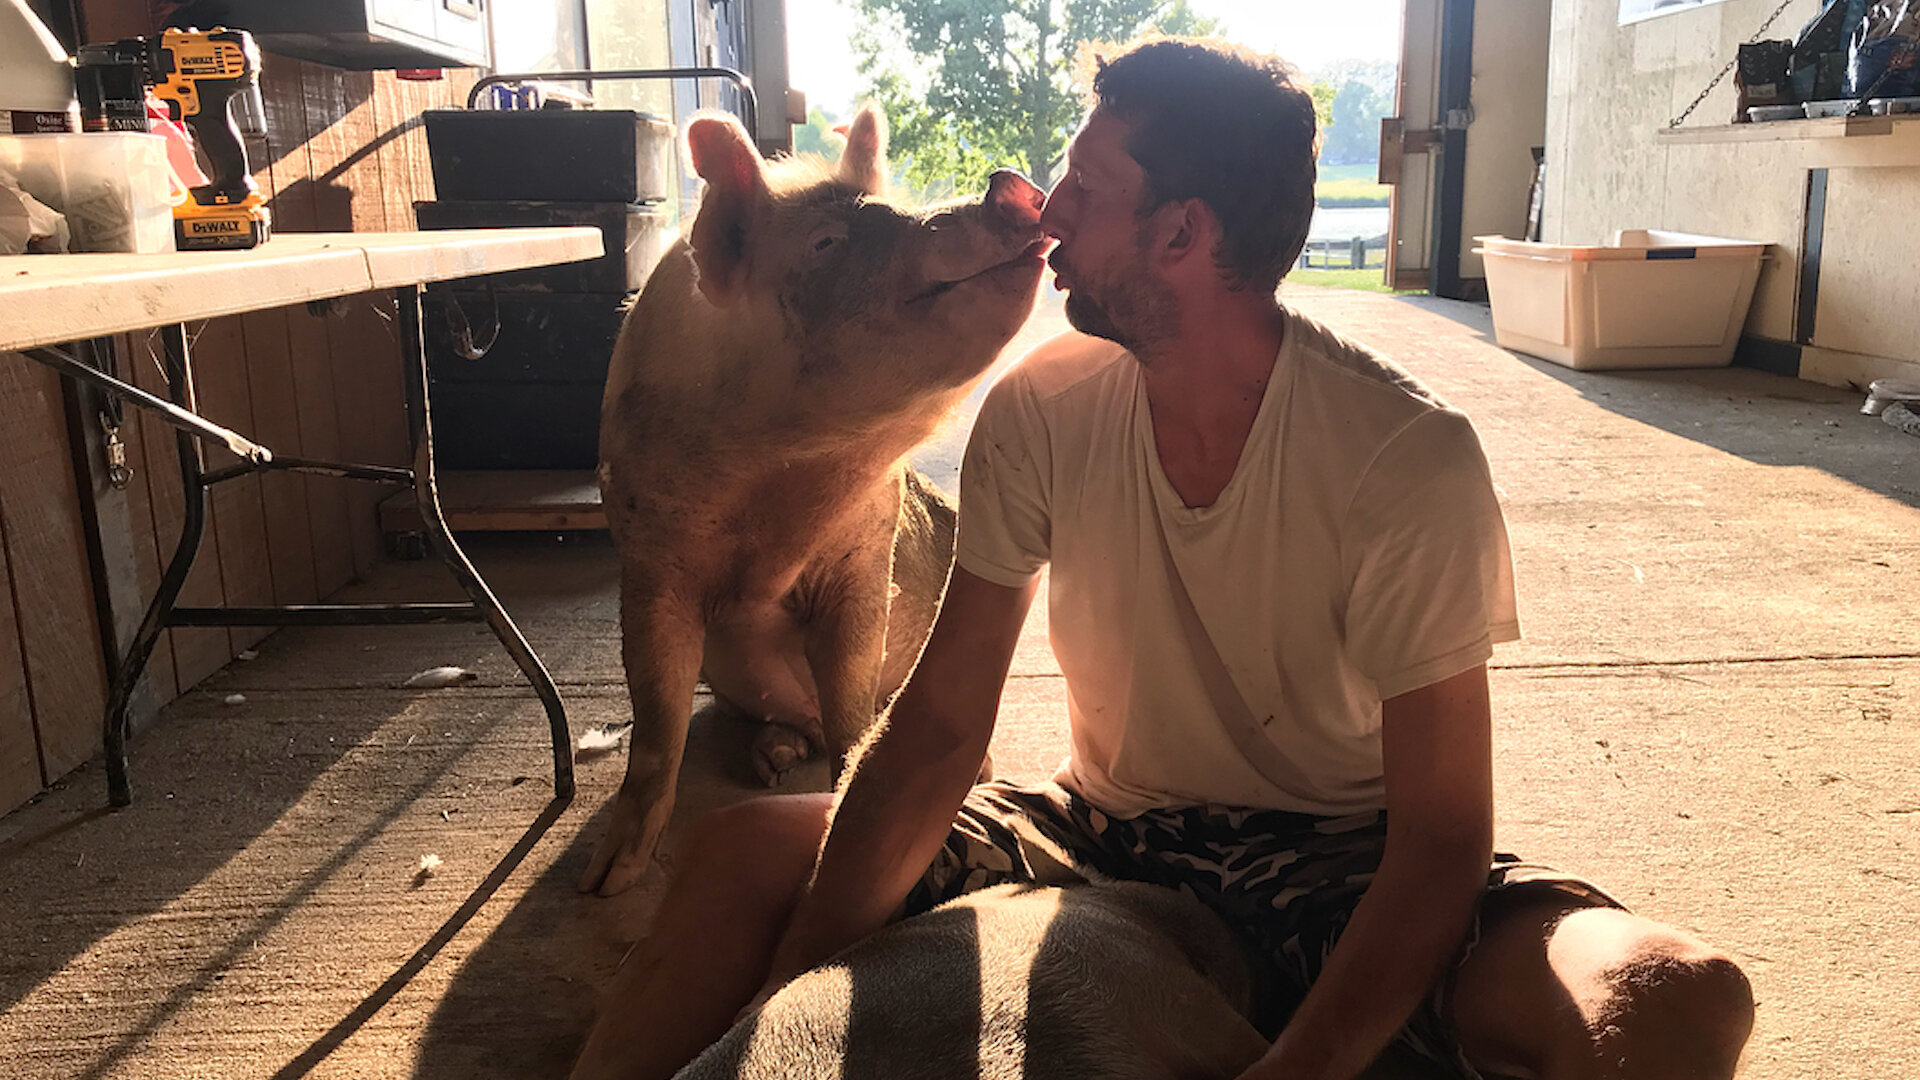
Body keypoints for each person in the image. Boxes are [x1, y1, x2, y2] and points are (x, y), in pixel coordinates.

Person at [572, 37, 1756, 1080]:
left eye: (1082, 189)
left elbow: (1442, 838)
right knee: (745, 853)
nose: (1043, 214)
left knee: (1676, 991)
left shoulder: (1405, 457)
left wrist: (1305, 1066)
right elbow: (937, 733)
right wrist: (797, 981)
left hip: (1343, 865)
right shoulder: (1041, 409)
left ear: (1181, 234)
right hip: (1096, 833)